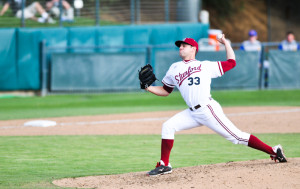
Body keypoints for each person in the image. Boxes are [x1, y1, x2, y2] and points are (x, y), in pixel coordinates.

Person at [144, 36, 287, 176]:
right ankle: (164, 164)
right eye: (180, 45)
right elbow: (165, 90)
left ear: (193, 48)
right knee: (168, 126)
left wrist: (226, 43)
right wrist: (148, 88)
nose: (180, 47)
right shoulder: (174, 68)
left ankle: (274, 151)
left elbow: (231, 62)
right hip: (192, 113)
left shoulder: (205, 65)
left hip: (208, 109)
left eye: (184, 45)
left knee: (237, 137)